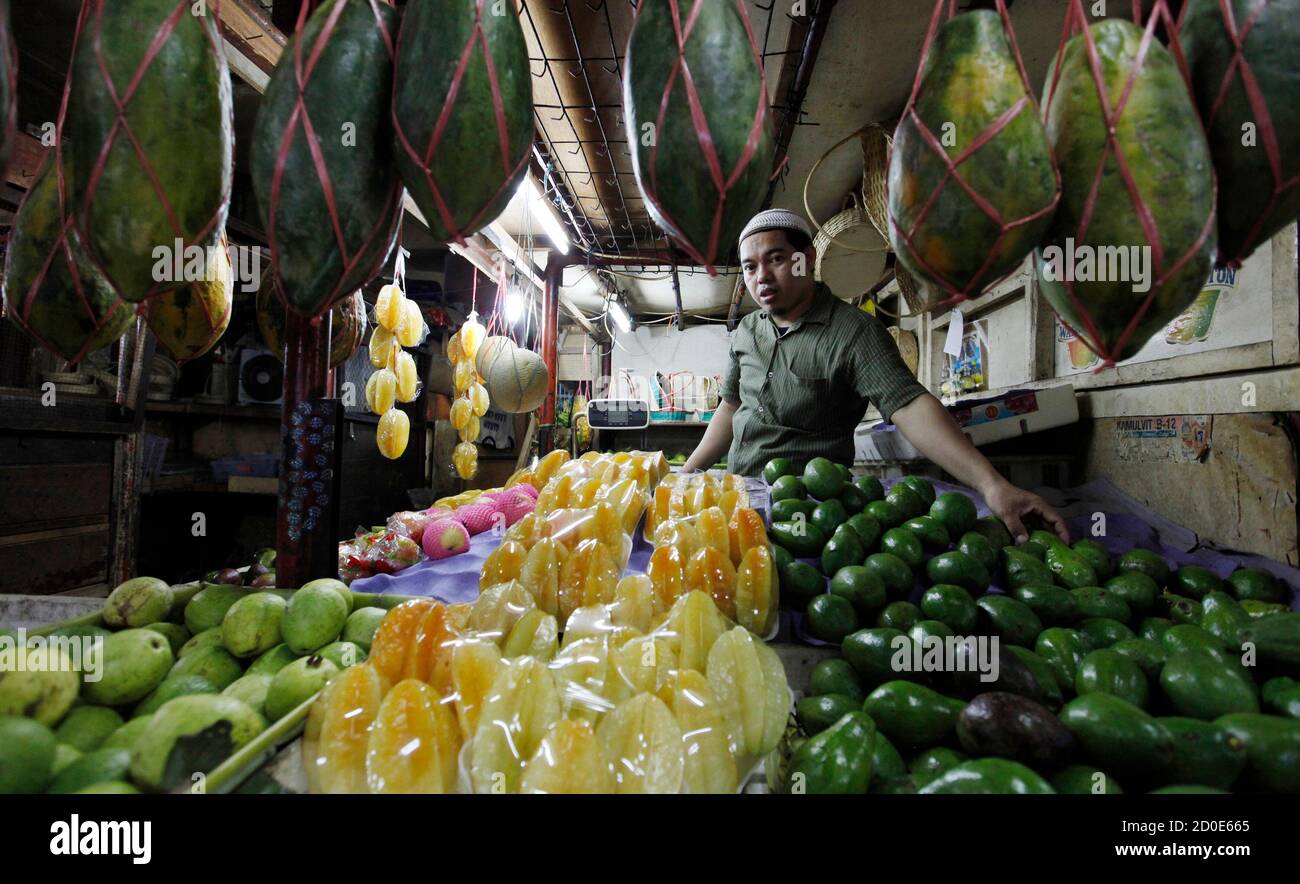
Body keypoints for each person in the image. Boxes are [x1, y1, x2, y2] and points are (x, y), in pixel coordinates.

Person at [682, 208, 1069, 543]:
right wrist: (687, 472)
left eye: (776, 259)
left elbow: (910, 405)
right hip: (739, 493)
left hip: (809, 509)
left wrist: (992, 485)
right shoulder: (748, 331)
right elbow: (731, 406)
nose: (761, 276)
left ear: (807, 258)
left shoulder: (853, 332)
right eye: (750, 267)